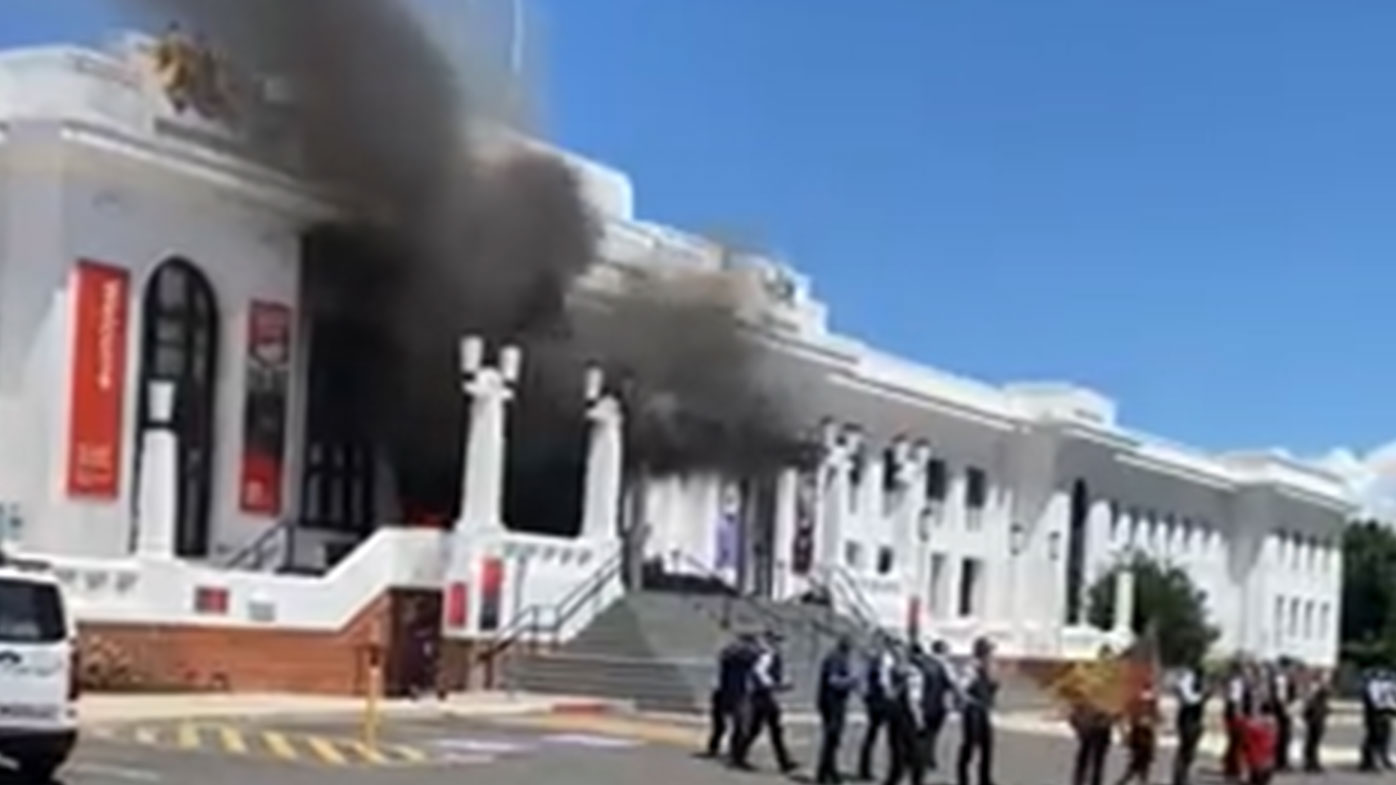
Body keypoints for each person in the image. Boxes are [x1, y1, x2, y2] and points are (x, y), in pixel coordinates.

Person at [731, 630, 797, 774]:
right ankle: (783, 761)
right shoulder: (768, 655)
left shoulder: (769, 655)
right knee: (773, 729)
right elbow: (759, 672)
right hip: (763, 696)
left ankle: (739, 755)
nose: (780, 644)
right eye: (777, 641)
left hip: (762, 695)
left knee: (763, 728)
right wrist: (774, 685)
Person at [1069, 646, 1116, 785]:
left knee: (1098, 761)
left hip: (1103, 726)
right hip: (1089, 725)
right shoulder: (1090, 679)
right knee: (1085, 756)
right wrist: (1076, 720)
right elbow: (1078, 701)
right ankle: (1079, 781)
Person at [706, 632, 757, 760]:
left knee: (731, 725)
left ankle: (728, 750)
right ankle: (727, 750)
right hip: (734, 692)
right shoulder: (738, 655)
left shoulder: (734, 654)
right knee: (730, 725)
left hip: (731, 691)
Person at [817, 636, 859, 784]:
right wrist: (851, 681)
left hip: (834, 702)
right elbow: (833, 680)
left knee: (833, 739)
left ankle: (829, 772)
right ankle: (824, 774)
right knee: (831, 738)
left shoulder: (837, 657)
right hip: (832, 703)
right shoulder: (836, 658)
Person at [956, 636, 998, 785]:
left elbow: (991, 689)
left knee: (987, 746)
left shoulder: (990, 668)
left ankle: (985, 779)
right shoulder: (972, 667)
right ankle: (963, 778)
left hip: (985, 711)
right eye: (989, 651)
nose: (992, 654)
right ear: (981, 652)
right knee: (970, 745)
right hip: (973, 711)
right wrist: (967, 701)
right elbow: (961, 687)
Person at [885, 646, 927, 785]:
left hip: (895, 717)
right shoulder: (913, 674)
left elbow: (890, 694)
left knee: (897, 756)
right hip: (908, 718)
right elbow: (913, 700)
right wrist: (919, 719)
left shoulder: (893, 671)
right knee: (917, 756)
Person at [859, 632, 898, 781]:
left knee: (872, 735)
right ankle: (889, 769)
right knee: (890, 736)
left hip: (874, 700)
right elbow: (884, 680)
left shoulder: (874, 658)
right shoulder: (885, 659)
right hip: (882, 701)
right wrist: (890, 694)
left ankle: (865, 767)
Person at [1115, 673, 1159, 785]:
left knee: (1140, 762)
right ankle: (1129, 780)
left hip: (1141, 734)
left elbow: (1156, 718)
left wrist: (1123, 733)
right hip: (1141, 734)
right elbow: (1156, 718)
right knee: (1140, 762)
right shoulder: (1148, 701)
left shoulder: (1144, 701)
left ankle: (1135, 780)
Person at [917, 640, 954, 771]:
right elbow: (951, 683)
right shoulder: (943, 665)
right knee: (931, 733)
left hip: (926, 702)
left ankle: (924, 757)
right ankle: (926, 758)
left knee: (926, 732)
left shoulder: (925, 663)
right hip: (937, 702)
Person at [1171, 662, 1207, 785]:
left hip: (1195, 719)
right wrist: (1202, 697)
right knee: (1185, 749)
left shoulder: (1195, 680)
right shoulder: (1188, 679)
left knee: (1189, 751)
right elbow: (1188, 698)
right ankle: (1179, 777)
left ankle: (1183, 775)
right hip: (1188, 719)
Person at [1223, 658, 1253, 781]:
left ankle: (1231, 769)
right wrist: (1239, 715)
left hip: (1232, 714)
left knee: (1233, 743)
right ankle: (1236, 770)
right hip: (1236, 715)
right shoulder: (1237, 682)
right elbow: (1236, 700)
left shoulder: (1233, 681)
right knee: (1238, 743)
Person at [1267, 659, 1295, 772]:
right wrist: (1286, 709)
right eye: (1290, 667)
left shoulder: (1284, 679)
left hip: (1283, 710)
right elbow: (1280, 697)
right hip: (1281, 712)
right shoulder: (1281, 679)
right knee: (1282, 737)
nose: (1291, 670)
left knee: (1285, 737)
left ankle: (1282, 761)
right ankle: (1280, 762)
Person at [1301, 670, 1330, 773]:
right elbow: (1309, 700)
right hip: (1314, 716)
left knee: (1315, 740)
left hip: (1318, 715)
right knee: (1312, 739)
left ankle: (1313, 761)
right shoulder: (1314, 686)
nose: (1327, 678)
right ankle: (1310, 762)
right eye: (1324, 676)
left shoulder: (1319, 686)